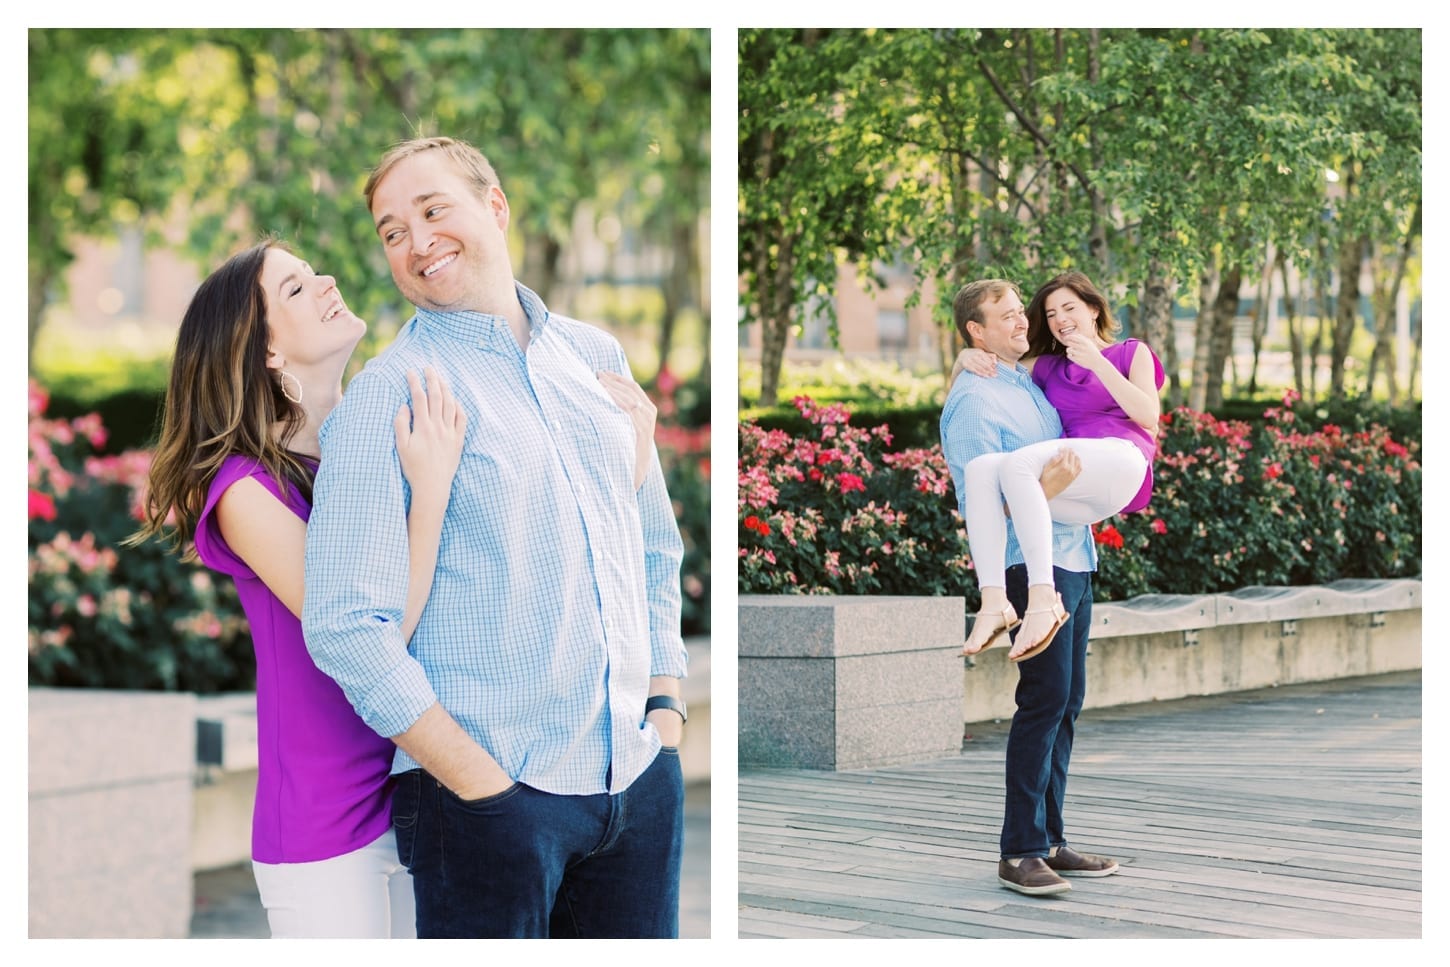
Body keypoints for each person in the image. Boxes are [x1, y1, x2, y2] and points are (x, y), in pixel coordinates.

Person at [132, 240, 656, 938]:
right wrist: (430, 489)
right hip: (326, 818)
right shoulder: (245, 490)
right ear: (263, 351)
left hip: (425, 780)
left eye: (313, 270)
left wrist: (632, 453)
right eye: (293, 289)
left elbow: (532, 553)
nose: (325, 282)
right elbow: (370, 627)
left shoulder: (388, 427)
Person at [300, 136, 689, 939]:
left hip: (639, 781)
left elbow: (650, 547)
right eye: (392, 230)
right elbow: (344, 623)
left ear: (497, 206)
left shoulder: (596, 357)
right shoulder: (388, 397)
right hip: (489, 804)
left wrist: (667, 710)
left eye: (434, 209)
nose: (416, 241)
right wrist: (478, 782)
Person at [940, 277, 1119, 898]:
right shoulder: (973, 402)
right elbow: (979, 504)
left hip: (1073, 557)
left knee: (1067, 702)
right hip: (1025, 568)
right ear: (975, 331)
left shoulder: (1026, 382)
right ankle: (1019, 851)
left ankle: (1052, 839)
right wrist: (1047, 491)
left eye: (1023, 313)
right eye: (1008, 316)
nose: (1023, 323)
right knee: (1042, 703)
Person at [953, 270, 1164, 662]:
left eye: (1069, 308)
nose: (1060, 319)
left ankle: (1042, 599)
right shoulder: (1048, 367)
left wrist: (1096, 361)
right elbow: (997, 369)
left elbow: (1148, 415)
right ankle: (993, 602)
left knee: (1017, 465)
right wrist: (964, 357)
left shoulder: (1131, 353)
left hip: (1122, 459)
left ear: (1093, 309)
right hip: (1077, 483)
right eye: (1050, 314)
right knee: (983, 469)